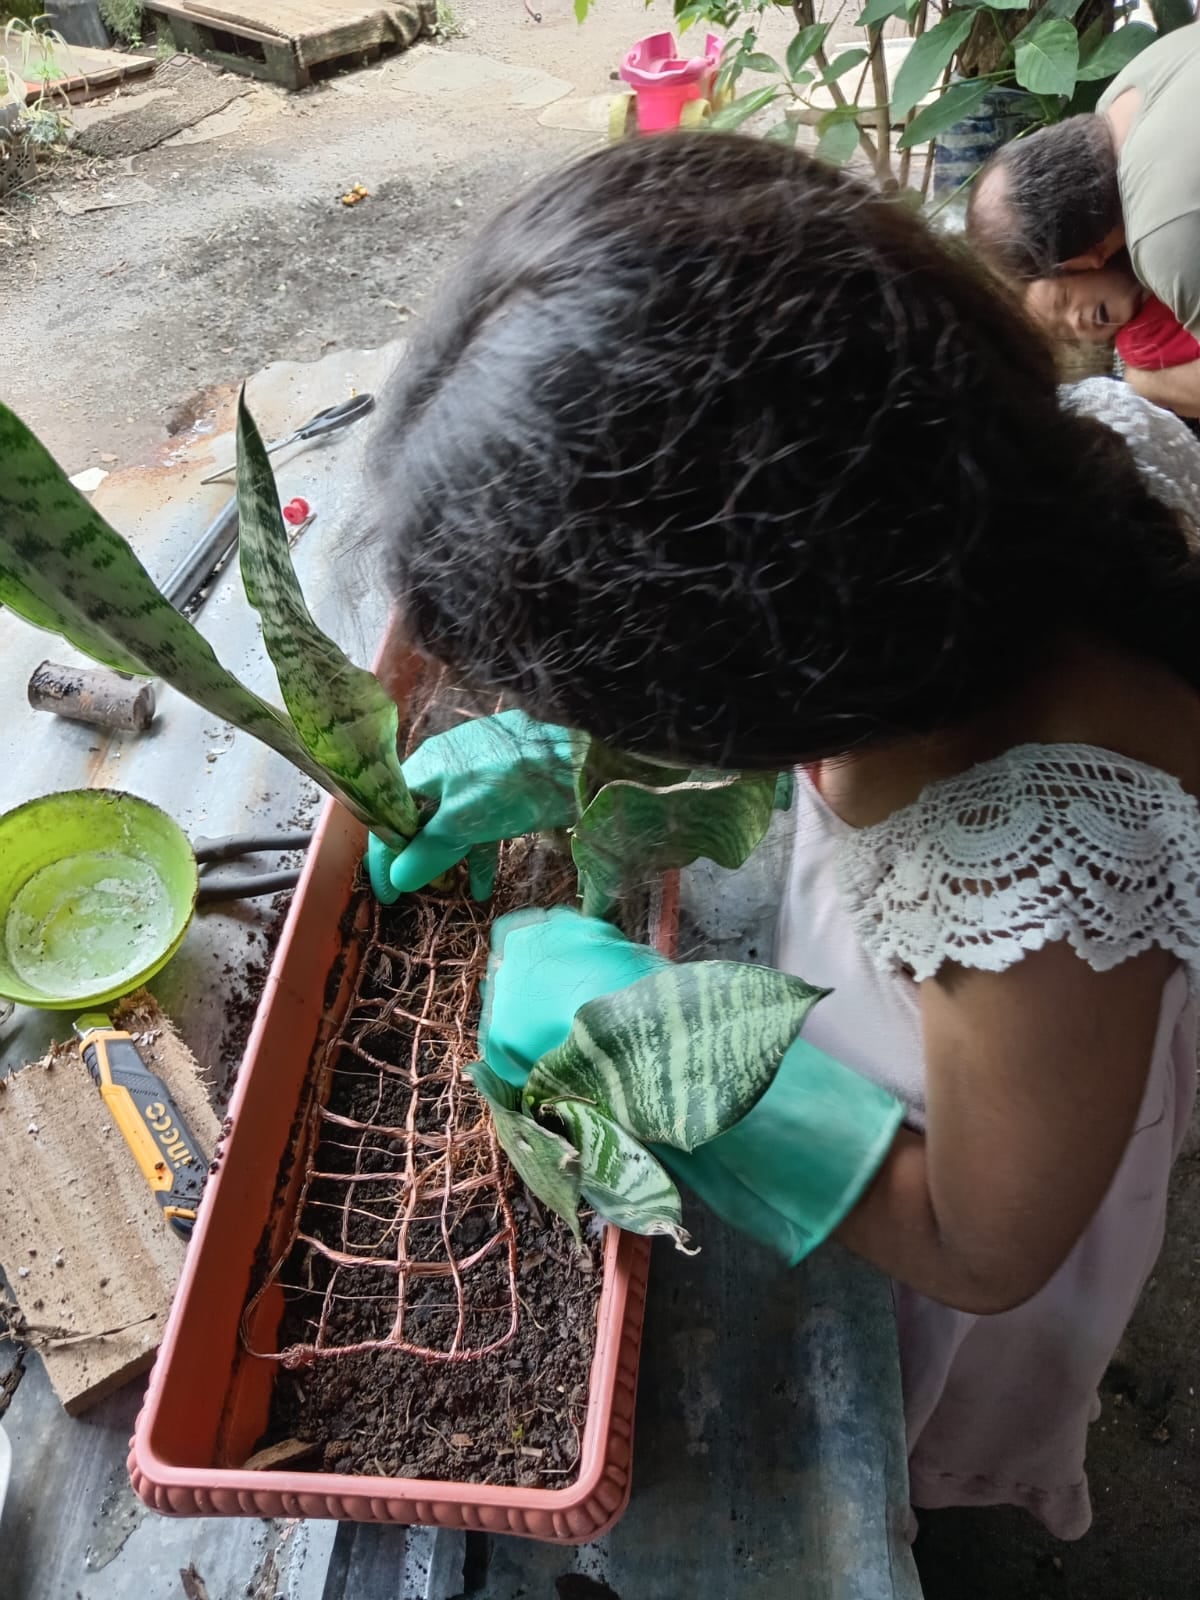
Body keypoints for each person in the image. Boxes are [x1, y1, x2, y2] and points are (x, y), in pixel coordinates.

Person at [372, 133, 1200, 1539]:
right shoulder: (1011, 494)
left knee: (939, 1387)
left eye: (624, 695)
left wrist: (657, 1034)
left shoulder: (1035, 867)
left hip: (1004, 1145)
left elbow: (985, 1242)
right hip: (952, 983)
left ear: (766, 680)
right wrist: (579, 740)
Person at [968, 23, 1200, 415]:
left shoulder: (1161, 239)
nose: (1077, 325)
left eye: (1061, 295)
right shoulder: (1124, 92)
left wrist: (1147, 384)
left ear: (1085, 258)